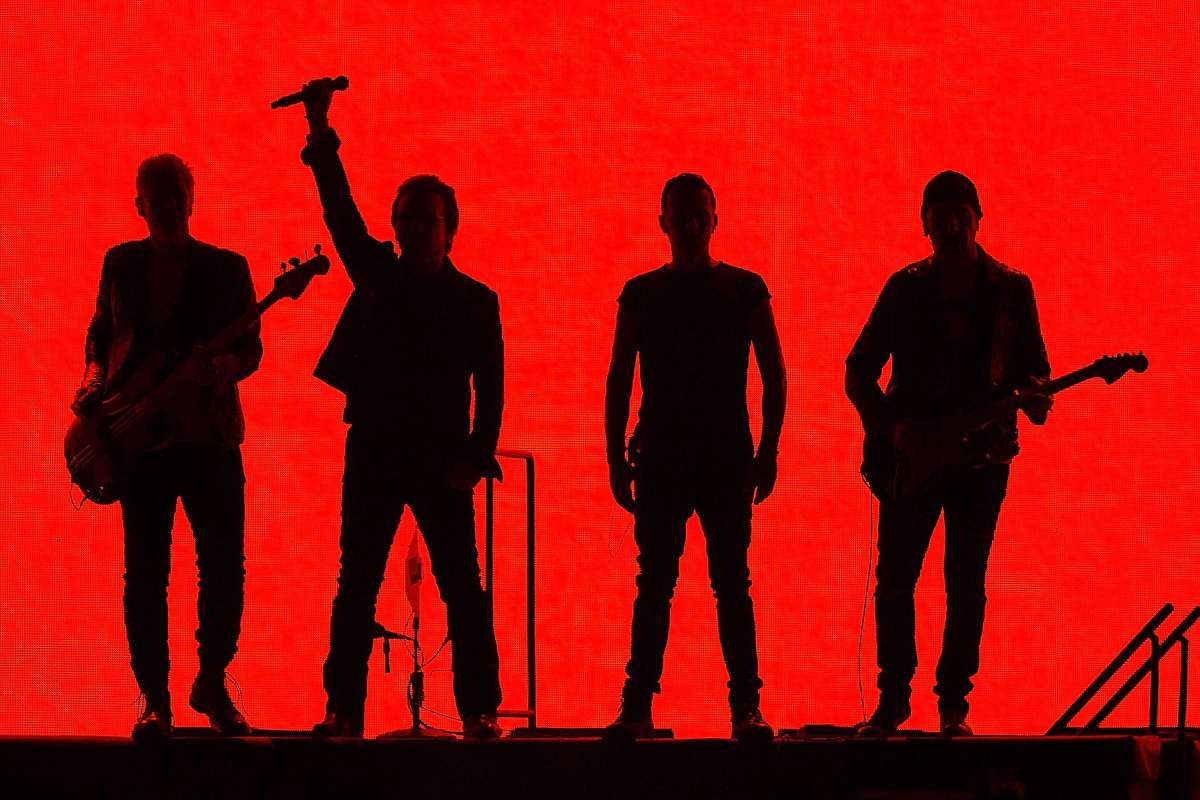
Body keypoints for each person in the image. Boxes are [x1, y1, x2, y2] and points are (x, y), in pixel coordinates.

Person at [296, 79, 504, 740]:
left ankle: (479, 710)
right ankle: (343, 711)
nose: (413, 229)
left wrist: (473, 459)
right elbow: (340, 214)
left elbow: (492, 389)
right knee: (355, 582)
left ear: (449, 230)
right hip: (378, 449)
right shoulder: (379, 275)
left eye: (426, 219)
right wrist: (321, 136)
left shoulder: (476, 301)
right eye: (406, 218)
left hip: (441, 456)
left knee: (462, 589)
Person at [845, 170, 1052, 736]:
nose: (953, 226)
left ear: (979, 219)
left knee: (965, 581)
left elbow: (1035, 365)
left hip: (983, 459)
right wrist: (892, 433)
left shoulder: (1013, 289)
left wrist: (1035, 397)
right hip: (912, 458)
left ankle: (953, 706)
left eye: (962, 214)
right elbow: (858, 370)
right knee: (896, 579)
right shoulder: (904, 288)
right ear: (925, 226)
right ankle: (894, 698)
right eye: (942, 217)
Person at [73, 154, 261, 740]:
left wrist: (225, 365)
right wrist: (93, 384)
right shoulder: (120, 264)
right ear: (140, 206)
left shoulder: (228, 270)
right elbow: (100, 335)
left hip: (209, 437)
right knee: (146, 574)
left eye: (177, 194)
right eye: (158, 197)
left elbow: (251, 350)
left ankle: (212, 679)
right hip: (140, 441)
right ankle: (155, 699)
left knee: (224, 569)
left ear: (193, 199)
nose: (169, 206)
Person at [603, 173, 786, 743]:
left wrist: (769, 448)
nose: (688, 225)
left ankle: (658, 705)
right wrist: (767, 449)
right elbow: (618, 379)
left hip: (702, 454)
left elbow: (775, 374)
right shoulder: (733, 289)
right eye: (680, 216)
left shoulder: (678, 292)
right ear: (665, 222)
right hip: (683, 453)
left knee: (696, 581)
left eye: (696, 215)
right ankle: (733, 708)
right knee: (696, 581)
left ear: (712, 219)